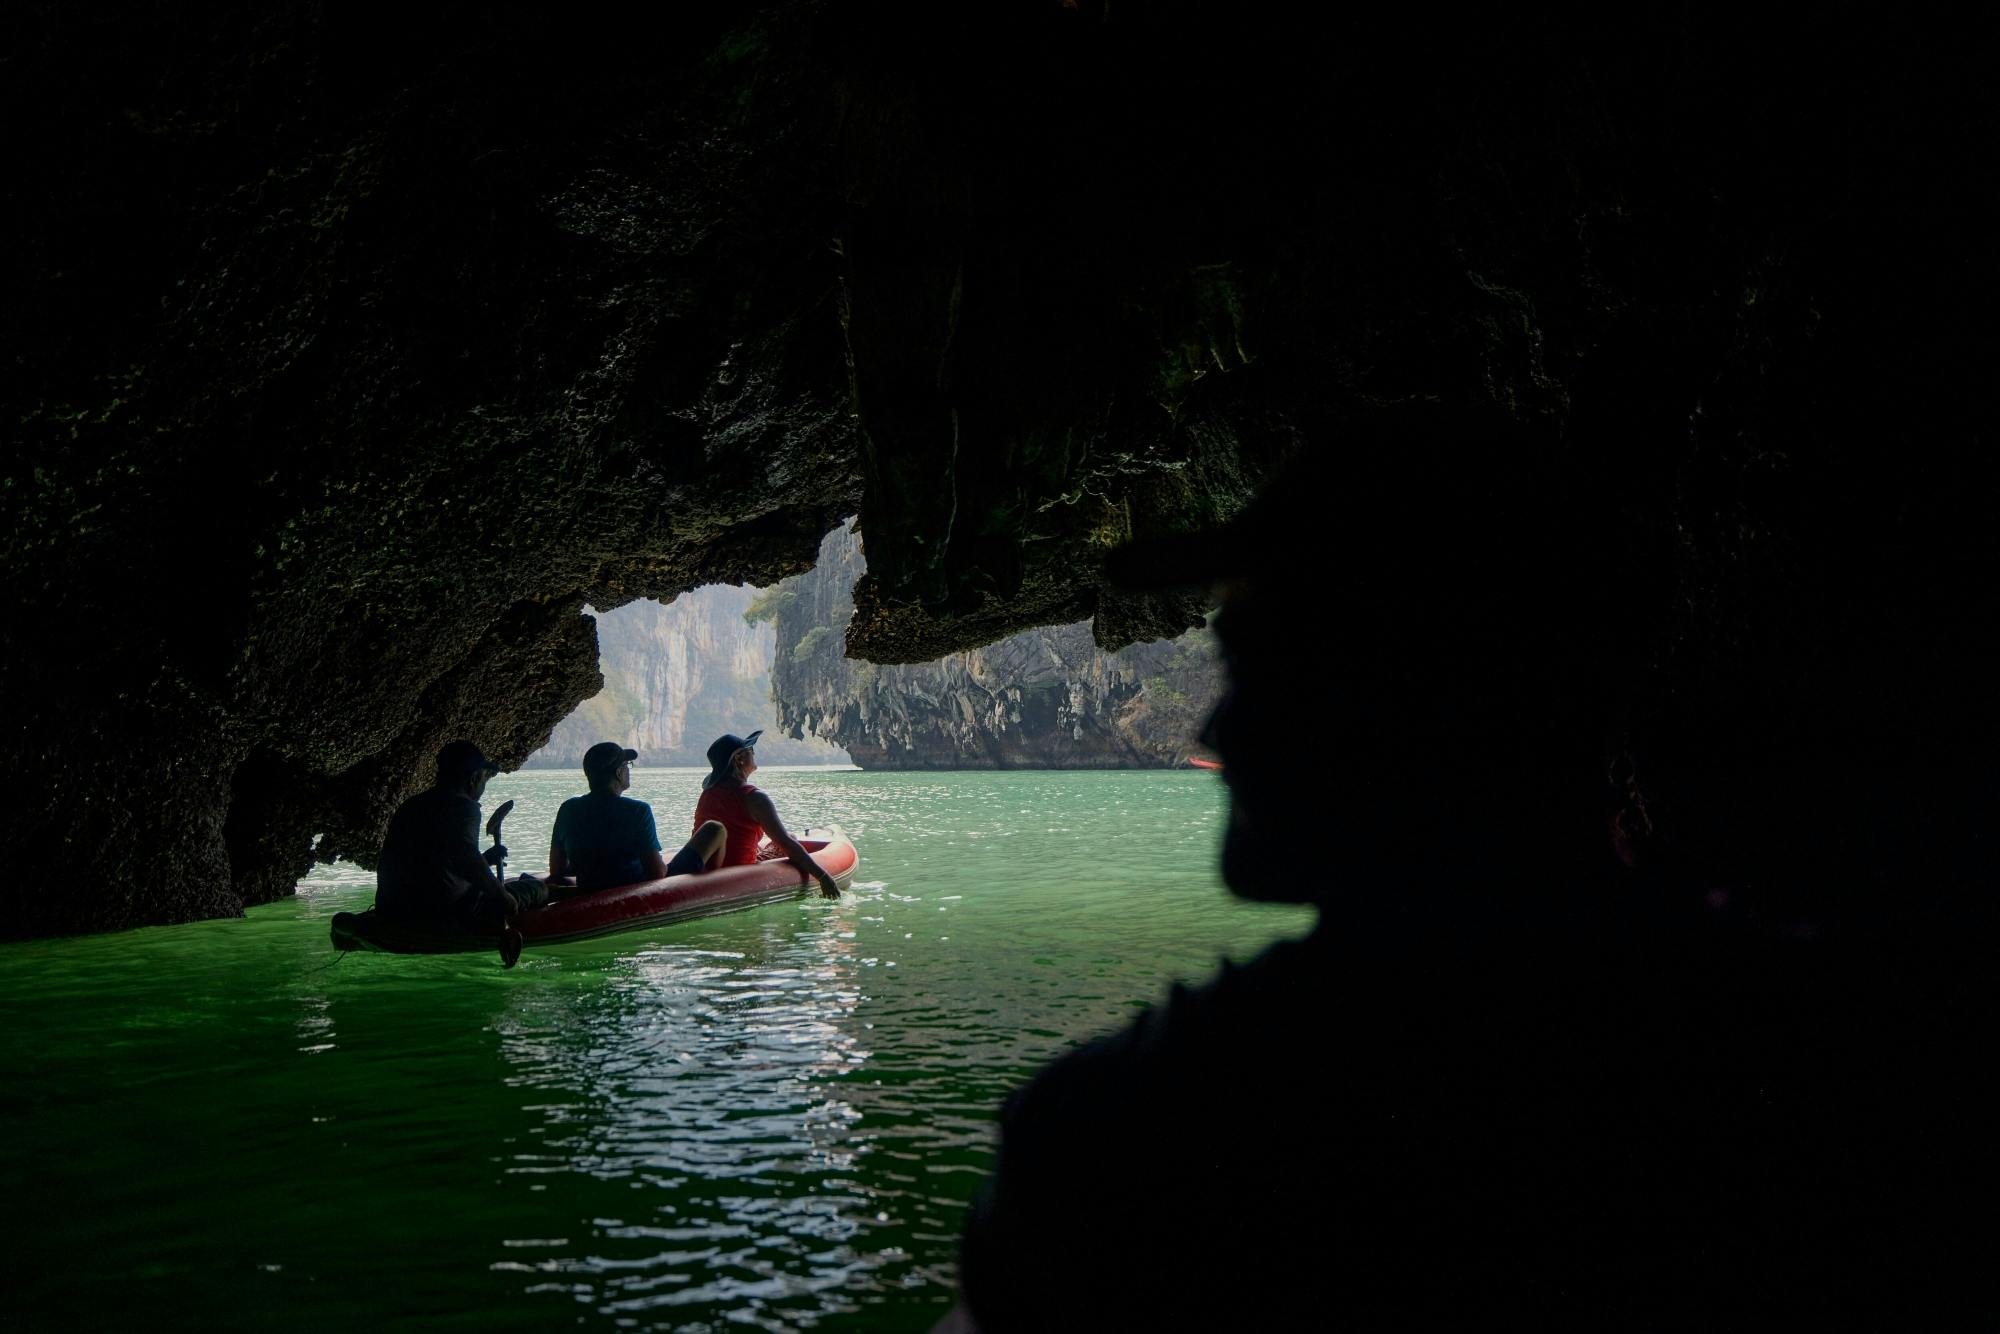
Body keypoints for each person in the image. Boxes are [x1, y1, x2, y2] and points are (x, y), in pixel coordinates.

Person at [376, 739, 540, 964]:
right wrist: (503, 897)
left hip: (394, 909)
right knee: (535, 888)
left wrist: (485, 859)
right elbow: (465, 857)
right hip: (443, 914)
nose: (483, 785)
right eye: (484, 778)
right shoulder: (464, 807)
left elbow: (434, 860)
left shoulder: (411, 805)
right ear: (473, 778)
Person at [549, 741, 727, 890]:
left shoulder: (568, 809)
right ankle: (714, 885)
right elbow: (657, 873)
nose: (628, 770)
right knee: (714, 829)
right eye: (626, 766)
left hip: (589, 886)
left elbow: (556, 870)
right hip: (635, 889)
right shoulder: (637, 810)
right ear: (619, 773)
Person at [692, 730, 841, 898]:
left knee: (777, 840)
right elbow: (786, 844)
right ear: (739, 760)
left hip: (711, 869)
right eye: (750, 751)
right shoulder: (755, 798)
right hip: (742, 871)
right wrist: (823, 876)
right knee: (790, 838)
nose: (754, 753)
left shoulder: (707, 794)